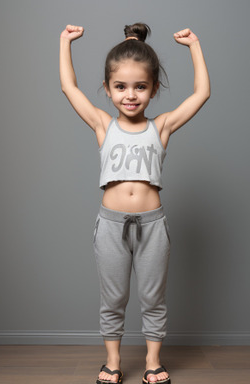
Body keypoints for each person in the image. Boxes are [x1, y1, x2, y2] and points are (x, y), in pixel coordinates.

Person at [59, 22, 210, 384]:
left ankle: (153, 363)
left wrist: (195, 46)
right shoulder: (102, 125)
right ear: (108, 90)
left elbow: (201, 93)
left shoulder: (161, 127)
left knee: (153, 299)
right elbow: (69, 87)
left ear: (154, 88)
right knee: (113, 299)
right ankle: (112, 362)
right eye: (121, 87)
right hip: (111, 225)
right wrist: (65, 42)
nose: (130, 95)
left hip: (152, 225)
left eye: (140, 87)